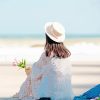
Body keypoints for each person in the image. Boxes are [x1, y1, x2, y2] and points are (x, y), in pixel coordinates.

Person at [13, 22, 73, 100]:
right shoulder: (66, 56)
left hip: (48, 97)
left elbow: (35, 74)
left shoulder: (47, 55)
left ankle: (22, 95)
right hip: (66, 95)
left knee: (31, 76)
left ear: (47, 37)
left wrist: (30, 73)